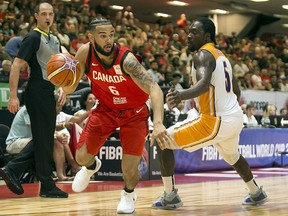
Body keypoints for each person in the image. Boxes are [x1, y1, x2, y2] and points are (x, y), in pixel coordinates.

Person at [151, 17, 268, 210]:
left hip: (215, 120)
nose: (188, 35)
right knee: (233, 156)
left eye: (194, 32)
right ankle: (256, 192)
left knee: (162, 139)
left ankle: (170, 195)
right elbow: (236, 91)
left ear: (207, 36)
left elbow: (203, 85)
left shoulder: (202, 55)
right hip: (234, 118)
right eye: (188, 31)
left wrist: (182, 94)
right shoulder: (222, 57)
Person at [62, 17, 169, 214]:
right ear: (91, 38)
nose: (108, 40)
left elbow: (155, 89)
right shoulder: (85, 53)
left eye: (111, 35)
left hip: (134, 113)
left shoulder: (126, 61)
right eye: (102, 36)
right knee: (81, 157)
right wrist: (63, 80)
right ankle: (92, 166)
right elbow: (71, 86)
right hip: (106, 109)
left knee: (128, 171)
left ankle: (128, 194)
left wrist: (159, 122)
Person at [6, 2, 68, 198]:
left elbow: (60, 68)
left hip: (49, 91)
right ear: (36, 16)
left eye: (50, 14)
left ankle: (13, 170)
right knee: (43, 139)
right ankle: (46, 184)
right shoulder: (32, 37)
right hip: (35, 91)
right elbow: (16, 66)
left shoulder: (55, 39)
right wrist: (13, 96)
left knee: (44, 139)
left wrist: (63, 88)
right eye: (43, 14)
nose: (47, 17)